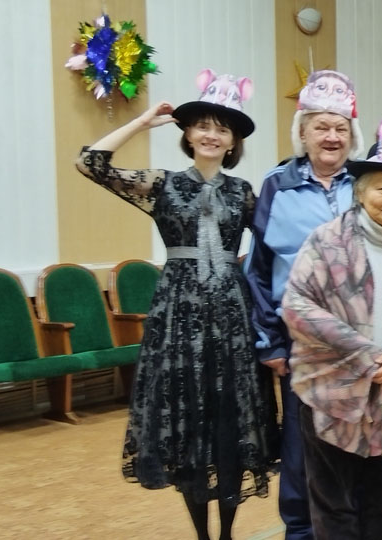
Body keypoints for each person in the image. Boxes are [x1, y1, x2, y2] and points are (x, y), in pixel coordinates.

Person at [75, 68, 277, 540]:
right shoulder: (162, 184)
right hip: (178, 317)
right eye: (203, 125)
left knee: (229, 424)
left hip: (230, 317)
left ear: (233, 142)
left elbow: (278, 243)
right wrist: (142, 122)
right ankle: (202, 536)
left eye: (222, 128)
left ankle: (226, 534)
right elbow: (90, 163)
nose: (211, 134)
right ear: (187, 134)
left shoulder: (243, 192)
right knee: (189, 427)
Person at [281, 120, 382, 540]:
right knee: (333, 503)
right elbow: (297, 306)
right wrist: (361, 353)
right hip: (329, 392)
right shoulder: (326, 241)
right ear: (359, 191)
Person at [244, 69, 365, 540]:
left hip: (359, 343)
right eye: (321, 126)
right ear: (303, 131)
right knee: (300, 449)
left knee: (356, 442)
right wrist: (269, 341)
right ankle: (300, 531)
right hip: (300, 344)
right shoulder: (277, 185)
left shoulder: (367, 182)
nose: (331, 137)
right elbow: (258, 268)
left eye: (340, 128)